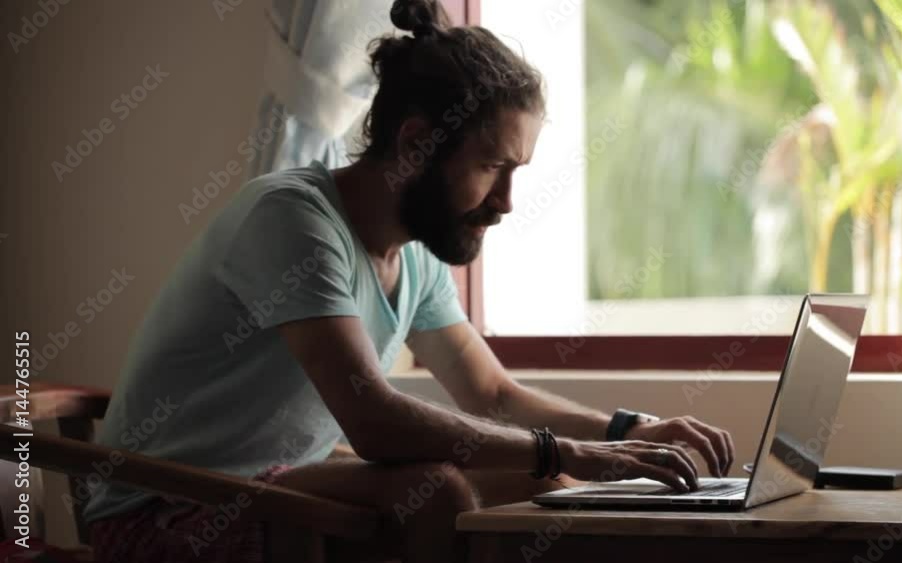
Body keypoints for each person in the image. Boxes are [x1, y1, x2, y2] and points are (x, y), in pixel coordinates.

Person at [83, 1, 735, 561]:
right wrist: (564, 449)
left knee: (540, 480)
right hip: (160, 513)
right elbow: (374, 419)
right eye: (492, 166)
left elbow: (491, 392)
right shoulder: (293, 222)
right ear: (417, 142)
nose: (507, 200)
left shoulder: (413, 252)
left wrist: (623, 433)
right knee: (444, 490)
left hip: (274, 490)